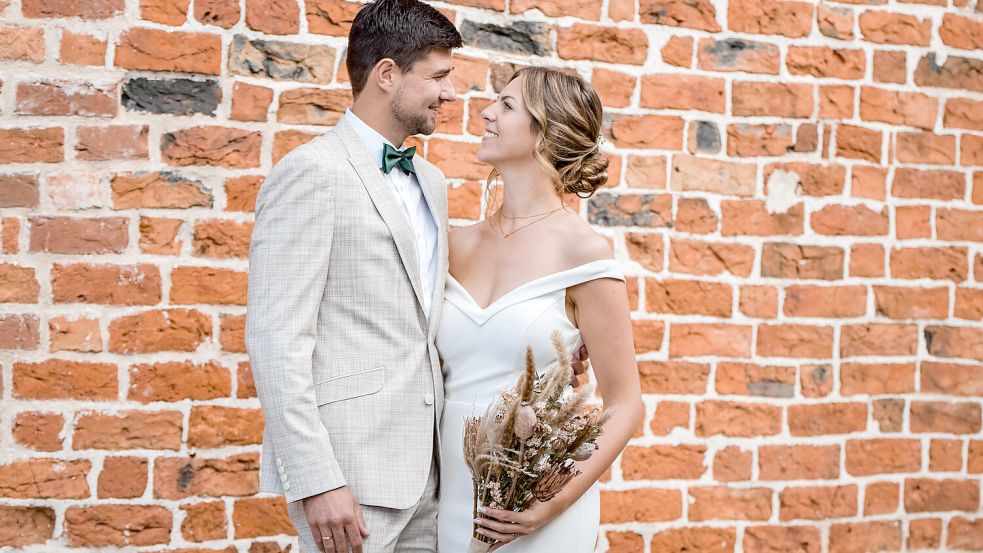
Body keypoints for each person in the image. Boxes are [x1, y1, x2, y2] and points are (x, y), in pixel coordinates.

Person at [245, 1, 461, 552]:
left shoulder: (432, 181)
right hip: (350, 479)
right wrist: (318, 480)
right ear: (388, 75)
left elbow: (427, 313)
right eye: (438, 77)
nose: (451, 94)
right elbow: (276, 339)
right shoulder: (311, 173)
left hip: (432, 478)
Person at [435, 67, 645, 552]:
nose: (487, 112)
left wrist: (549, 505)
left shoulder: (584, 253)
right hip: (452, 496)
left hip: (535, 505)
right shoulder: (452, 245)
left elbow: (625, 402)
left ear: (546, 132)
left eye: (507, 106)